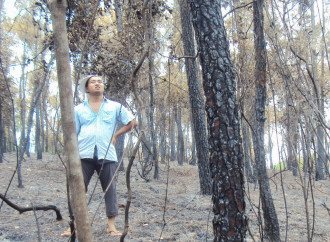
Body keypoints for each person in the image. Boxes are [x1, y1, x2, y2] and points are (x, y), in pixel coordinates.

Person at [61, 75, 138, 237]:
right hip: (82, 154)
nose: (97, 84)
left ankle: (111, 226)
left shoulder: (115, 107)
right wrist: (70, 153)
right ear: (87, 89)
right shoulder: (78, 109)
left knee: (109, 189)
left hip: (107, 154)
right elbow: (72, 131)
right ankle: (74, 225)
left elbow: (133, 122)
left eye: (100, 82)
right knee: (79, 190)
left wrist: (116, 135)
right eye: (93, 82)